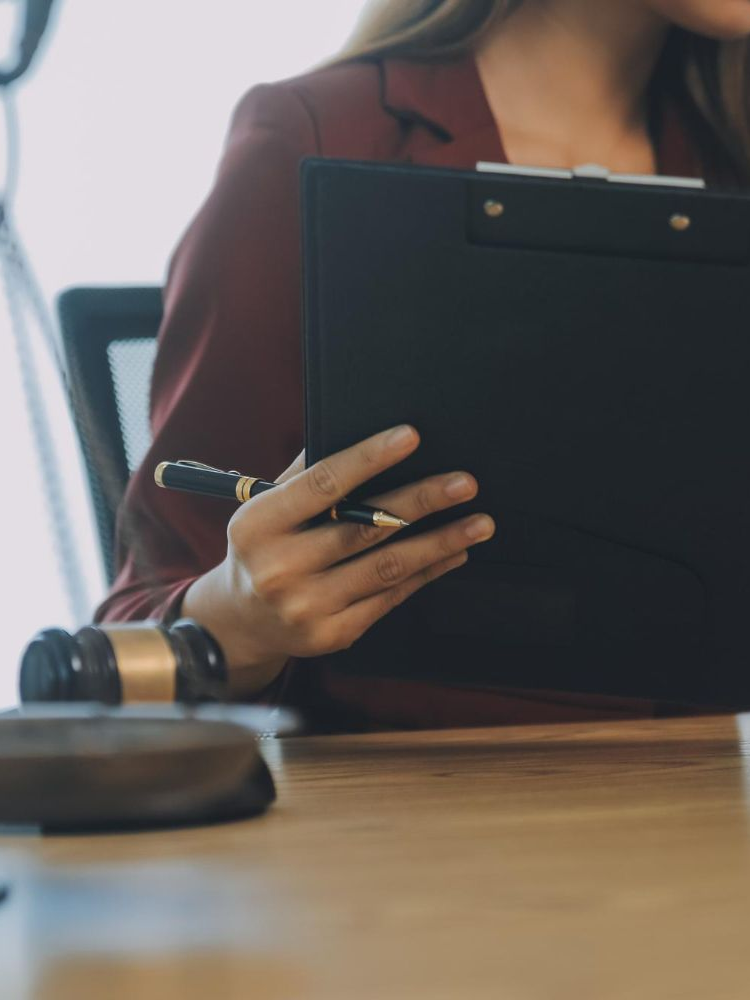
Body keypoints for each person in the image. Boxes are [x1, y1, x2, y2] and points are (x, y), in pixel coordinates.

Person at [97, 0, 750, 731]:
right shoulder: (318, 136)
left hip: (703, 808)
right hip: (405, 814)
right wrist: (240, 620)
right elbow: (135, 625)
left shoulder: (727, 157)